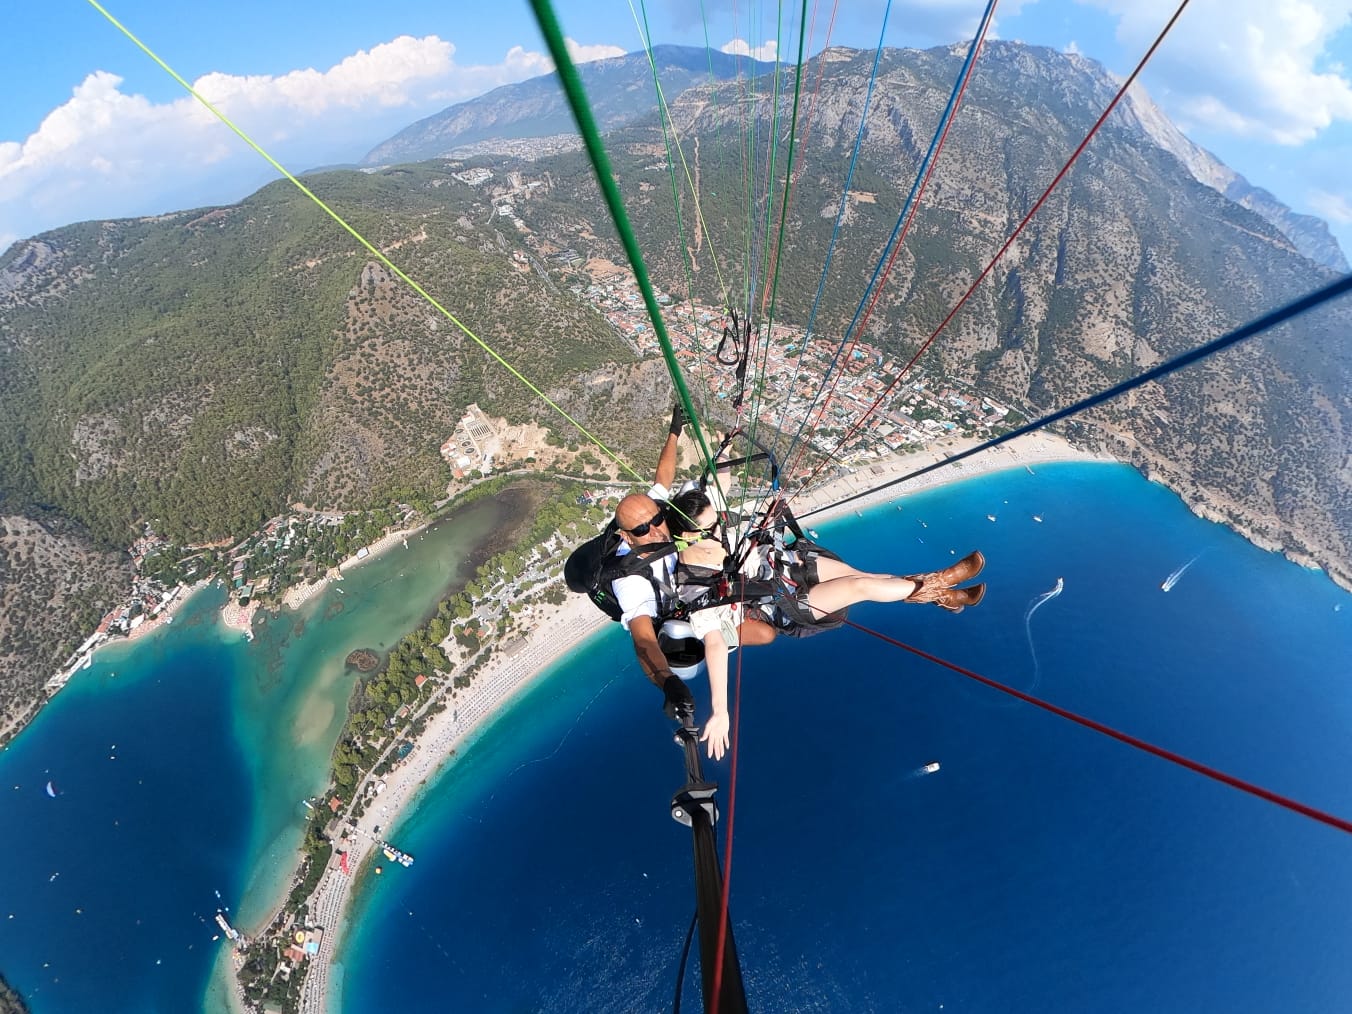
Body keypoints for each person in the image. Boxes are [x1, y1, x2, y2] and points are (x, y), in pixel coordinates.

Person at [666, 487, 986, 759]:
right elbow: (714, 642)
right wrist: (720, 710)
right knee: (861, 588)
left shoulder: (720, 527)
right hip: (782, 605)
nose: (719, 532)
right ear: (686, 535)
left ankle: (948, 597)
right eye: (709, 530)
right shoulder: (693, 581)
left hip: (789, 564)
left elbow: (732, 497)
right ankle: (941, 586)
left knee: (867, 577)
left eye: (718, 522)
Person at [609, 406, 776, 724]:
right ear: (627, 538)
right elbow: (643, 639)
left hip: (696, 583)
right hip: (680, 621)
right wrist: (668, 685)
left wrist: (675, 431)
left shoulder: (649, 515)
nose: (656, 529)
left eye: (657, 519)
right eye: (644, 530)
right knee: (765, 634)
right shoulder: (630, 580)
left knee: (693, 493)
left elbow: (663, 479)